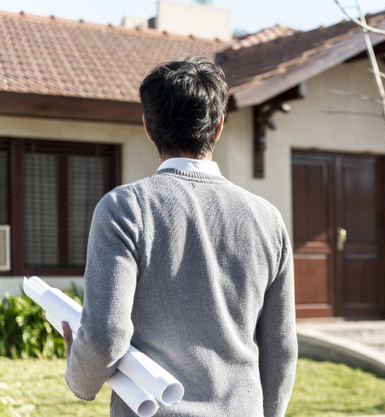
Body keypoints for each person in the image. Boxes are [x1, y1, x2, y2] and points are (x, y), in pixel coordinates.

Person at [61, 56, 298, 417]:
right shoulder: (268, 220)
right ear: (218, 127)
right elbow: (280, 348)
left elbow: (106, 335)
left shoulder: (125, 208)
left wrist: (79, 378)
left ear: (148, 127)